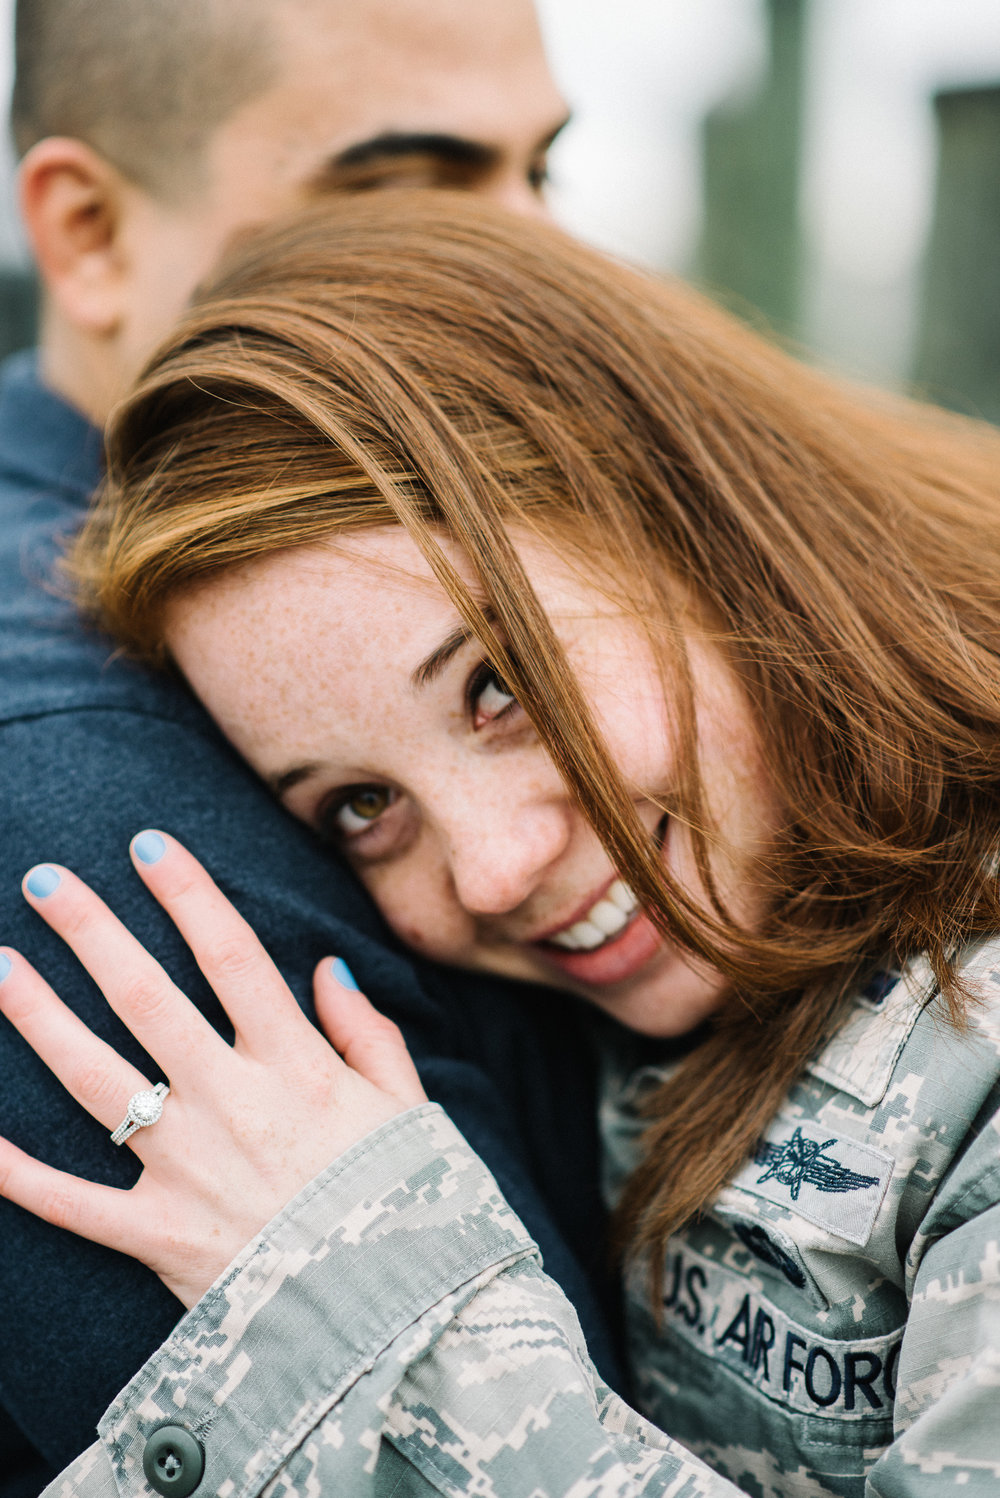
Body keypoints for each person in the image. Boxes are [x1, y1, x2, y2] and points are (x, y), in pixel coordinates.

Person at [4, 191, 1000, 1495]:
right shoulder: (639, 1024)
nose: (489, 870)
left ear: (695, 519)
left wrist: (362, 1302)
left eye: (500, 686)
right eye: (358, 807)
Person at [0, 4, 627, 1491]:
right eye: (411, 179)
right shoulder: (72, 768)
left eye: (543, 173)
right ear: (86, 232)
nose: (539, 268)